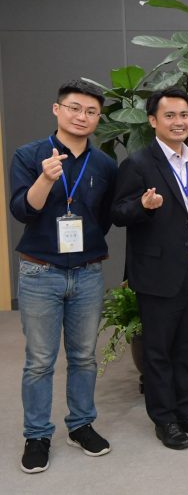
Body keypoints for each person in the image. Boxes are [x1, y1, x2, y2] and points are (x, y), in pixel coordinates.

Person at [9, 80, 117, 473]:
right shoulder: (30, 155)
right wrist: (46, 179)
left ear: (98, 118)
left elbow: (103, 218)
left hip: (87, 272)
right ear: (57, 110)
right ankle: (37, 435)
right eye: (74, 108)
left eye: (91, 112)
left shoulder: (104, 164)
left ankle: (81, 424)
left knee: (84, 357)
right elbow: (22, 211)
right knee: (40, 360)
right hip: (40, 271)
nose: (81, 117)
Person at [111, 88, 188, 450]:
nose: (179, 122)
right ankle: (165, 419)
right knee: (158, 350)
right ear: (153, 121)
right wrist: (142, 206)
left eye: (184, 115)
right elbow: (118, 213)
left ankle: (186, 409)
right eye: (170, 115)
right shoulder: (138, 164)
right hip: (158, 272)